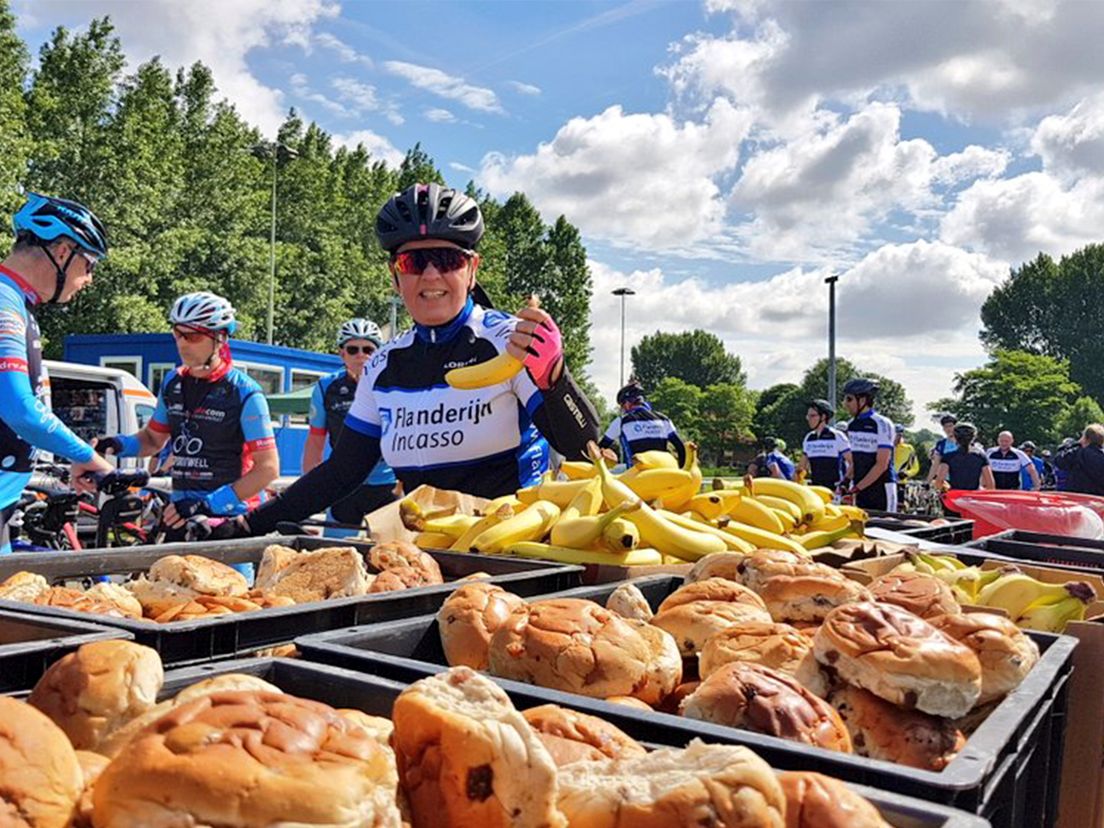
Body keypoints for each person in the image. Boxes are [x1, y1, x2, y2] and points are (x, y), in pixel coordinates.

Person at [232, 182, 600, 536]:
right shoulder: (380, 367)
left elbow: (586, 450)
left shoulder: (508, 342)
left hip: (508, 552)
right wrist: (247, 524)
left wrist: (555, 379)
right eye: (413, 262)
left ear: (472, 270)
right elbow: (342, 472)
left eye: (447, 259)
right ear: (395, 276)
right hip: (423, 554)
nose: (431, 274)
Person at [94, 292, 280, 548]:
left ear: (220, 338)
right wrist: (115, 443)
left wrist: (208, 504)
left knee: (232, 589)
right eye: (177, 333)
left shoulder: (244, 392)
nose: (182, 343)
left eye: (192, 336)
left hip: (226, 517)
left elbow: (268, 468)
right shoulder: (173, 382)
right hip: (180, 513)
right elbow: (152, 439)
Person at [0, 193, 114, 553]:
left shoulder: (16, 302)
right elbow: (19, 408)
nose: (89, 279)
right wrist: (90, 458)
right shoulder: (4, 302)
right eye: (90, 264)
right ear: (63, 251)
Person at [303, 318, 398, 537]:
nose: (361, 355)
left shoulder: (394, 384)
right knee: (334, 558)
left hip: (386, 485)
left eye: (368, 349)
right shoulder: (326, 387)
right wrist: (310, 493)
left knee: (393, 560)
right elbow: (315, 443)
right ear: (341, 354)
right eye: (353, 349)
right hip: (343, 485)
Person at [840, 377, 896, 510]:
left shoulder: (882, 423)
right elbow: (855, 460)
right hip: (860, 487)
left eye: (849, 399)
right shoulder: (851, 425)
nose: (845, 404)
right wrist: (846, 480)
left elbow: (882, 464)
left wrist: (857, 487)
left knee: (885, 527)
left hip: (882, 487)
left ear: (863, 400)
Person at [599, 380, 686, 467]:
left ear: (627, 403)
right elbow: (680, 447)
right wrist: (682, 469)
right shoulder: (663, 419)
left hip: (637, 476)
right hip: (663, 472)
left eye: (622, 405)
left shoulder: (622, 421)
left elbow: (601, 446)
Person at [799, 398, 851, 489]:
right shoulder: (809, 438)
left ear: (823, 417)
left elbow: (853, 462)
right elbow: (801, 467)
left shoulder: (837, 436)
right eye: (808, 416)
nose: (808, 419)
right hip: (816, 489)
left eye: (812, 416)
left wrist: (845, 483)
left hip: (835, 490)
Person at [933, 422, 994, 494]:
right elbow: (990, 483)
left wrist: (945, 490)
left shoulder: (948, 457)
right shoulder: (980, 456)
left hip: (955, 496)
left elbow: (939, 481)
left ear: (955, 437)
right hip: (974, 496)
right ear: (973, 438)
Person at [1054, 425, 1104, 496]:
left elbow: (1059, 461)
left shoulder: (1078, 453)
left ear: (1086, 438)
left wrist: (1072, 445)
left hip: (1078, 497)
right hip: (1099, 500)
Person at [927, 413, 958, 482]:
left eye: (950, 426)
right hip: (946, 480)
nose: (948, 429)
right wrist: (928, 482)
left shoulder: (964, 442)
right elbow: (935, 465)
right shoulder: (941, 444)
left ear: (955, 427)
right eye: (945, 427)